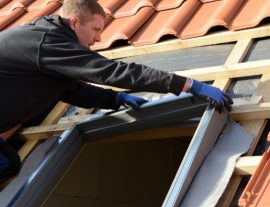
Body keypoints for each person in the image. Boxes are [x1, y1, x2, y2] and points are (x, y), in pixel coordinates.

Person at [0, 0, 233, 182]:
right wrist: (189, 85)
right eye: (95, 29)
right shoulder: (49, 43)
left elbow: (69, 89)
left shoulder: (52, 41)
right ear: (74, 23)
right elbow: (111, 71)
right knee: (8, 163)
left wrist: (114, 98)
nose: (99, 38)